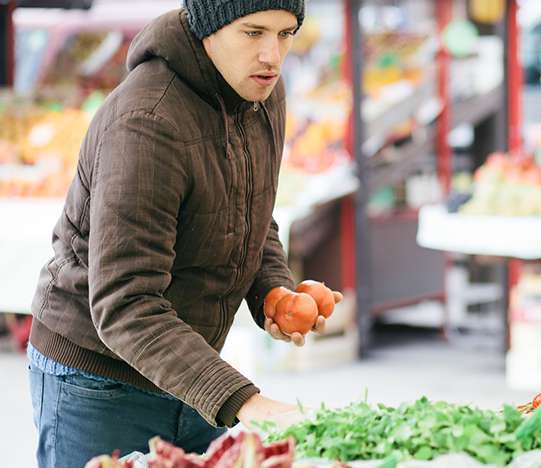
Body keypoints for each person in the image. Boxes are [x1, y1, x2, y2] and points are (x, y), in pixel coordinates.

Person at [25, 1, 337, 466]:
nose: (273, 54)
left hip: (190, 371)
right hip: (99, 384)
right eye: (253, 33)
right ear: (209, 28)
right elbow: (125, 302)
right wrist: (244, 401)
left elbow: (251, 210)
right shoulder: (148, 120)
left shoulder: (262, 93)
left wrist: (273, 289)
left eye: (286, 33)